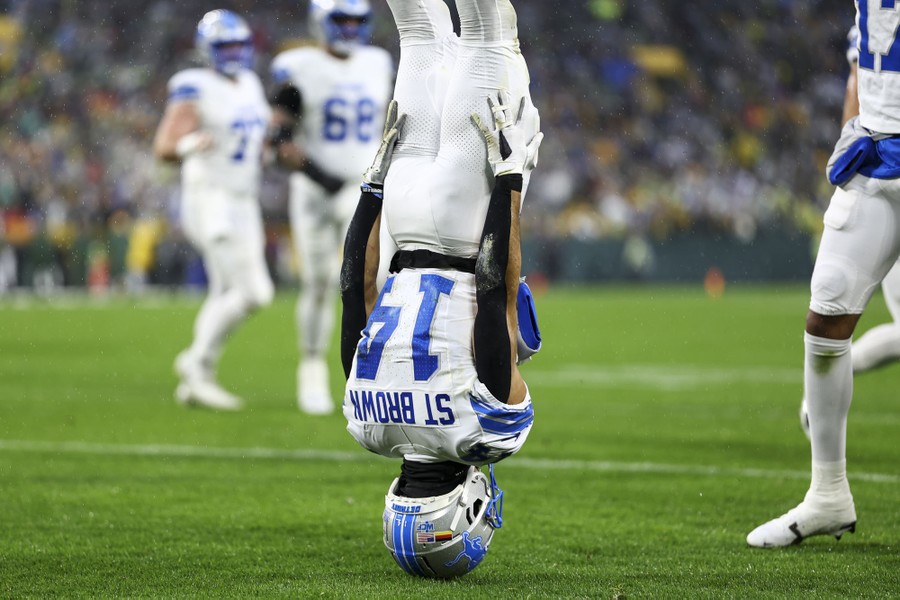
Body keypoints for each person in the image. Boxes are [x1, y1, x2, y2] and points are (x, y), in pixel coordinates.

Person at [339, 0, 542, 578]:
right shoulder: (364, 425)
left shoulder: (489, 433)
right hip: (401, 217)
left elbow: (494, 292)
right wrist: (373, 187)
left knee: (488, 27)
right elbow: (355, 285)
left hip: (463, 221)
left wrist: (508, 182)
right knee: (419, 28)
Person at [747, 3, 900, 547]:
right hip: (877, 157)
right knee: (827, 314)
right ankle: (828, 493)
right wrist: (849, 128)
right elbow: (864, 65)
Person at [268, 0, 394, 415]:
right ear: (320, 21)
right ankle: (311, 371)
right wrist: (326, 179)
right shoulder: (297, 65)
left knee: (370, 277)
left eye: (358, 19)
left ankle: (375, 371)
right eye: (342, 19)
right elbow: (278, 140)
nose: (351, 27)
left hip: (365, 187)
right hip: (315, 189)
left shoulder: (378, 61)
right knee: (320, 282)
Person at [153, 9, 273, 411]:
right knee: (253, 292)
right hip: (211, 198)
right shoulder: (194, 85)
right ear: (208, 50)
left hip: (243, 197)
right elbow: (165, 147)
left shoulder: (251, 83)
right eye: (226, 46)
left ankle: (196, 377)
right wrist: (188, 145)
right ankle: (196, 365)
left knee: (224, 291)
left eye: (240, 44)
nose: (235, 53)